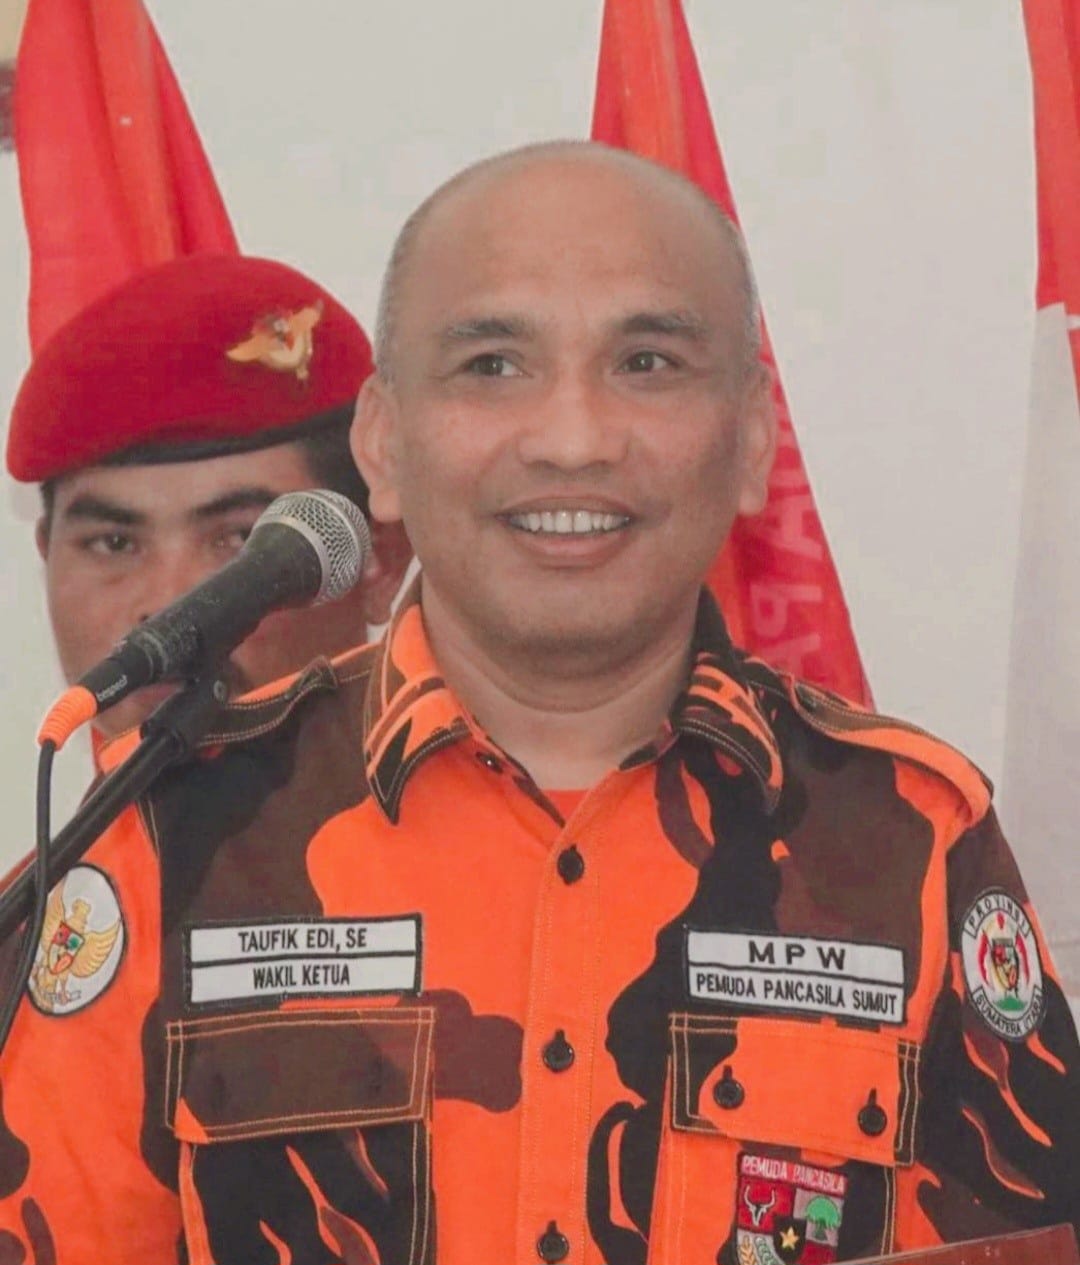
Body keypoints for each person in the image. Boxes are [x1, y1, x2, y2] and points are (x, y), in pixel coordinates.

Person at [0, 142, 1077, 1265]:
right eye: (493, 365)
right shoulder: (161, 838)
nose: (572, 439)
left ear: (753, 439)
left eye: (647, 362)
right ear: (383, 445)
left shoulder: (912, 838)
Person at [6, 252, 412, 741]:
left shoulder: (474, 791)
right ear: (47, 554)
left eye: (242, 539)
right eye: (114, 543)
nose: (167, 605)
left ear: (379, 563)